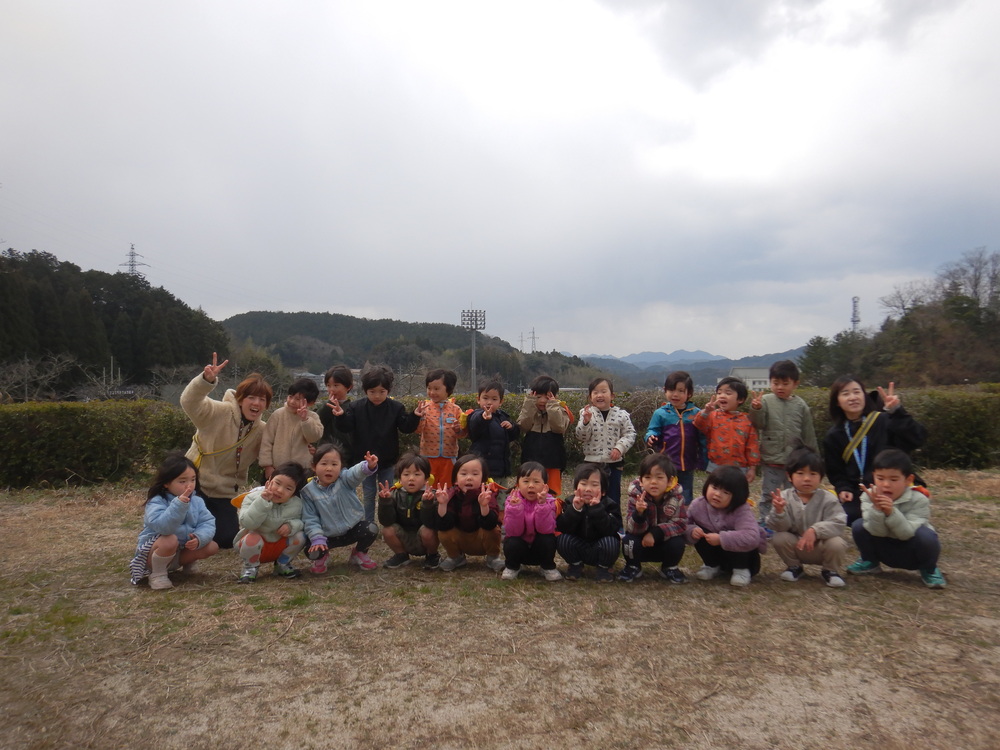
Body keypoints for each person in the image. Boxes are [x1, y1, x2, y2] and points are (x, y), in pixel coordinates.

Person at [180, 352, 272, 548]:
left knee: (227, 539)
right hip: (194, 484)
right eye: (251, 397)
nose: (256, 403)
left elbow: (276, 449)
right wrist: (205, 381)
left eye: (262, 399)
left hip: (224, 493)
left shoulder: (262, 430)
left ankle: (201, 532)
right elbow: (189, 402)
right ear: (240, 399)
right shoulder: (218, 411)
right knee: (182, 532)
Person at [823, 377, 927, 525]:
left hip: (894, 488)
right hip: (861, 492)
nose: (853, 397)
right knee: (846, 515)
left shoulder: (885, 420)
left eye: (857, 392)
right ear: (837, 402)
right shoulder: (834, 436)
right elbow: (835, 470)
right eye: (845, 394)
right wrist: (843, 488)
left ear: (864, 396)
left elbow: (917, 438)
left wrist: (897, 411)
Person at [326, 365, 420, 524]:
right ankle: (369, 525)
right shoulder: (356, 407)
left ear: (388, 390)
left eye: (382, 391)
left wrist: (415, 416)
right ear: (365, 391)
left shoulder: (396, 408)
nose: (377, 396)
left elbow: (405, 427)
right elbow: (346, 427)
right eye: (372, 392)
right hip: (365, 461)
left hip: (387, 460)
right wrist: (340, 416)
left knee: (388, 493)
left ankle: (389, 522)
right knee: (368, 494)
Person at [847, 449, 946, 588]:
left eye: (893, 479)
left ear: (908, 480)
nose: (886, 484)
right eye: (880, 478)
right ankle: (870, 562)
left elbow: (906, 533)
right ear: (873, 477)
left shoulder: (919, 499)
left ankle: (929, 569)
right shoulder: (868, 497)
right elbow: (876, 532)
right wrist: (877, 510)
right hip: (884, 547)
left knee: (926, 536)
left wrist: (891, 512)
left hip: (910, 552)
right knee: (859, 525)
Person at [129, 452, 219, 590]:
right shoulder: (157, 501)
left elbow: (207, 522)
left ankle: (187, 563)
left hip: (179, 552)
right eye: (182, 481)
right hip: (153, 555)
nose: (189, 486)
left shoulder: (197, 501)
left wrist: (199, 537)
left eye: (193, 480)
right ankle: (157, 574)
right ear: (166, 483)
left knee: (211, 546)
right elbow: (164, 527)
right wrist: (179, 505)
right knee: (169, 539)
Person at [766, 445, 847, 588]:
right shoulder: (784, 497)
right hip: (797, 545)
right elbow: (780, 527)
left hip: (821, 547)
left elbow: (838, 522)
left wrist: (815, 530)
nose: (807, 479)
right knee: (779, 538)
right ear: (789, 476)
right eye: (800, 473)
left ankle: (830, 571)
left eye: (813, 474)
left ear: (821, 477)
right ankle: (794, 567)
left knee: (837, 543)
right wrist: (779, 512)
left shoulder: (828, 498)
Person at [748, 360, 818, 524]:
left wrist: (814, 458)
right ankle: (765, 522)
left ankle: (791, 522)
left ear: (795, 384)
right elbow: (758, 424)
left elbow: (808, 433)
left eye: (785, 383)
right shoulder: (765, 401)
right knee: (769, 493)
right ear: (770, 382)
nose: (780, 387)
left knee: (793, 494)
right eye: (775, 383)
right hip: (771, 459)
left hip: (794, 461)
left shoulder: (801, 405)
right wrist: (756, 409)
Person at [301, 443, 380, 574]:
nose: (329, 468)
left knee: (371, 529)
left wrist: (367, 466)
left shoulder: (344, 479)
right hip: (326, 536)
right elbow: (310, 518)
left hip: (351, 529)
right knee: (312, 550)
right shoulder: (308, 492)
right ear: (314, 466)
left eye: (334, 464)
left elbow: (354, 473)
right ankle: (322, 557)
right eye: (324, 464)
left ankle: (359, 553)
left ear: (341, 467)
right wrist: (317, 537)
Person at [685, 466, 769, 587]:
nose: (717, 494)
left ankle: (741, 570)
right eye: (714, 488)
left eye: (726, 492)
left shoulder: (741, 510)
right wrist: (691, 531)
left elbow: (751, 536)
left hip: (745, 559)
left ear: (737, 496)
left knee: (739, 537)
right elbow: (683, 525)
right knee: (700, 532)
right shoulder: (698, 505)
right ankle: (712, 565)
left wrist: (721, 539)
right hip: (716, 553)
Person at [233, 462, 309, 583]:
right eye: (277, 483)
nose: (280, 490)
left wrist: (291, 526)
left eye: (288, 488)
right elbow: (247, 523)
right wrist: (262, 501)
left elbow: (301, 522)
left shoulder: (297, 504)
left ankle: (282, 564)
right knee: (251, 538)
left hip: (279, 544)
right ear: (269, 481)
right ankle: (250, 567)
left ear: (294, 493)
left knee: (301, 536)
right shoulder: (251, 498)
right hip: (256, 547)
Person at [619, 454, 688, 583]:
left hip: (664, 543)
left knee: (678, 542)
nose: (653, 482)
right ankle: (633, 566)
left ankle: (669, 567)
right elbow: (631, 529)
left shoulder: (676, 497)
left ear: (670, 481)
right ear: (641, 481)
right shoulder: (636, 496)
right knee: (629, 541)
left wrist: (656, 533)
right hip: (641, 543)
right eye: (648, 477)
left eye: (659, 477)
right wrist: (639, 514)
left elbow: (680, 524)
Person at [433, 454, 504, 572]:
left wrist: (484, 506)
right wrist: (442, 505)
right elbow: (443, 525)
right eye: (464, 474)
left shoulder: (488, 495)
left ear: (483, 479)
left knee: (494, 530)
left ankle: (493, 558)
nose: (469, 478)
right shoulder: (450, 495)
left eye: (475, 474)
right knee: (443, 532)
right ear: (456, 479)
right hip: (461, 539)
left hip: (481, 540)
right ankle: (456, 557)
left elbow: (490, 524)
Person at [645, 370, 705, 504]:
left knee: (685, 496)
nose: (675, 394)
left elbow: (702, 438)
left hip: (687, 464)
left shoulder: (696, 414)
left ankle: (684, 517)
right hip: (666, 464)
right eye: (671, 390)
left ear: (689, 393)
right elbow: (652, 430)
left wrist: (703, 459)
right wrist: (650, 437)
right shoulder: (660, 413)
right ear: (665, 390)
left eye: (681, 391)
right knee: (665, 494)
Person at [575, 377, 636, 506]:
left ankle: (613, 519)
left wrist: (620, 447)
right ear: (590, 397)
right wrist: (585, 422)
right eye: (595, 392)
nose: (599, 395)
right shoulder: (586, 413)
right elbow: (581, 437)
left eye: (603, 391)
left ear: (612, 396)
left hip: (614, 464)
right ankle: (590, 518)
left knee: (613, 497)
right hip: (591, 463)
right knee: (590, 496)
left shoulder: (621, 415)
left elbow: (630, 434)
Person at [556, 463, 621, 582]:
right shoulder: (570, 502)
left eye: (594, 485)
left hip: (600, 547)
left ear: (603, 491)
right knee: (562, 539)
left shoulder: (610, 504)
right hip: (579, 545)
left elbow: (612, 529)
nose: (588, 489)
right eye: (584, 484)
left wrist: (598, 510)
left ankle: (604, 568)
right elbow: (563, 527)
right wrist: (575, 509)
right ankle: (575, 565)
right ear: (576, 488)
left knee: (612, 542)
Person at [377, 453, 440, 570]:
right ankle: (401, 555)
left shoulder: (432, 495)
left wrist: (427, 503)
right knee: (387, 530)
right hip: (404, 535)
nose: (411, 478)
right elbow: (386, 521)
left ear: (426, 478)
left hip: (423, 537)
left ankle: (432, 556)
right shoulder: (394, 494)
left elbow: (431, 523)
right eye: (406, 474)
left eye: (417, 474)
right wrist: (385, 502)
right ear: (400, 478)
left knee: (428, 530)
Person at [501, 462, 562, 581]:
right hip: (520, 549)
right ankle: (512, 567)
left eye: (536, 481)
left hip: (539, 549)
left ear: (545, 486)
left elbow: (545, 530)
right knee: (511, 541)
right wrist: (515, 508)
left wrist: (542, 505)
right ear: (518, 484)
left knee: (548, 539)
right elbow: (513, 532)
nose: (531, 485)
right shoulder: (511, 501)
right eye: (526, 481)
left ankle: (547, 567)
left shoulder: (550, 501)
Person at [693, 376, 760, 484]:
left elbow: (752, 446)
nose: (722, 396)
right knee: (715, 491)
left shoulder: (746, 421)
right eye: (719, 393)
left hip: (739, 468)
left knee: (735, 493)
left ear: (740, 399)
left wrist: (752, 468)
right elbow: (698, 424)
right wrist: (706, 411)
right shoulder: (712, 415)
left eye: (728, 393)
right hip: (715, 465)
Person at [259, 377, 323, 478]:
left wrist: (305, 420)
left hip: (303, 470)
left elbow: (313, 437)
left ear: (310, 403)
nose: (292, 401)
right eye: (290, 396)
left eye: (297, 399)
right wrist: (267, 466)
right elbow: (266, 441)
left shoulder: (312, 417)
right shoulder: (278, 415)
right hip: (277, 468)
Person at [517, 375, 571, 494]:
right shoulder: (530, 410)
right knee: (529, 492)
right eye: (538, 396)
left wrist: (552, 406)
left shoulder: (560, 410)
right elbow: (523, 426)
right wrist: (529, 405)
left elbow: (559, 427)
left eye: (547, 397)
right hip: (530, 460)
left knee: (552, 494)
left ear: (555, 397)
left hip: (554, 461)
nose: (542, 401)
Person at [414, 368, 465, 488]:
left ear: (448, 389)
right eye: (429, 388)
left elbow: (462, 434)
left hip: (449, 457)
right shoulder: (425, 407)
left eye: (436, 389)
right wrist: (419, 417)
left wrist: (458, 429)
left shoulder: (456, 409)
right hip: (428, 457)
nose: (432, 392)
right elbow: (418, 430)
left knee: (448, 488)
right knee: (428, 488)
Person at [466, 378, 520, 483]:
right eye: (485, 398)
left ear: (501, 402)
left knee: (502, 493)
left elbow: (513, 436)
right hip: (482, 470)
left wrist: (511, 427)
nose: (489, 402)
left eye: (494, 399)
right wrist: (484, 418)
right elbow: (475, 424)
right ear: (478, 399)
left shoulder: (502, 416)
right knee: (484, 493)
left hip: (501, 470)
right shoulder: (476, 415)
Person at [317, 364, 355, 454]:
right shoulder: (324, 407)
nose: (331, 389)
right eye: (328, 385)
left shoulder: (353, 408)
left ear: (348, 387)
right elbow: (317, 423)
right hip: (325, 453)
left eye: (336, 385)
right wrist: (329, 405)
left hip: (347, 455)